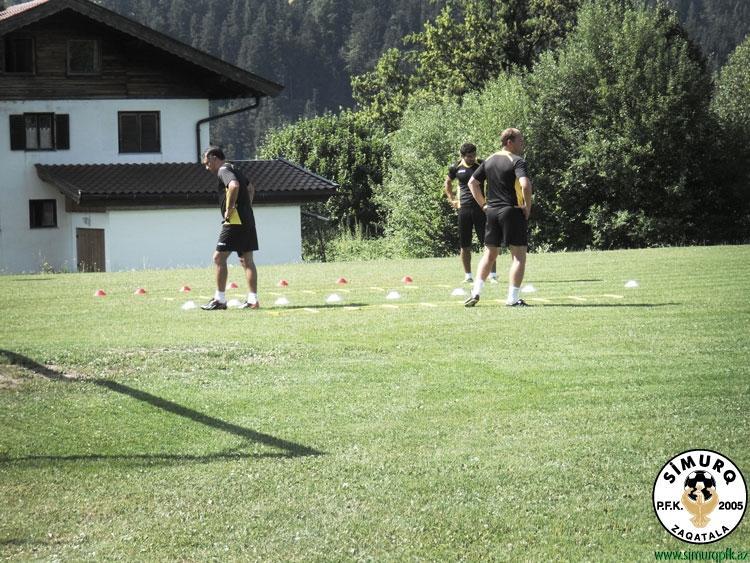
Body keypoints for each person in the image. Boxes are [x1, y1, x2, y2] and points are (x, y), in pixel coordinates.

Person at [464, 128, 533, 307]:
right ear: (509, 142)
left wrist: (484, 205)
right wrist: (527, 207)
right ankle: (513, 299)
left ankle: (475, 292)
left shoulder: (489, 159)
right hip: (512, 210)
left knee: (489, 254)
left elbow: (472, 183)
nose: (522, 143)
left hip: (492, 212)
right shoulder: (517, 161)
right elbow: (525, 185)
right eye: (520, 140)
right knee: (518, 256)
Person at [200, 146, 260, 310]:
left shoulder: (223, 170)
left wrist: (231, 208)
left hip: (235, 221)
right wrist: (246, 208)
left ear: (214, 158)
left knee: (218, 258)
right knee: (247, 260)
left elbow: (234, 185)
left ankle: (219, 300)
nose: (207, 168)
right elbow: (250, 188)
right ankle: (253, 300)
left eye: (207, 163)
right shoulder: (234, 168)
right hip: (247, 219)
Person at [443, 143, 497, 283]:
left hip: (481, 208)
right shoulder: (455, 167)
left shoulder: (482, 164)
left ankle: (492, 275)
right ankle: (468, 276)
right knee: (465, 245)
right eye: (469, 156)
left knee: (489, 243)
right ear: (462, 156)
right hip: (464, 209)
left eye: (474, 155)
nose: (472, 158)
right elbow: (447, 182)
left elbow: (494, 180)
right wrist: (452, 199)